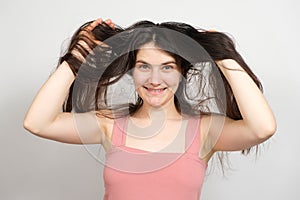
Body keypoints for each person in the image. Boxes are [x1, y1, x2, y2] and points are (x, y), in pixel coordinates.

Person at [23, 18, 277, 200]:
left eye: (167, 67)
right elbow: (38, 123)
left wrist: (224, 56)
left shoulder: (205, 129)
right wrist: (78, 57)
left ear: (182, 73)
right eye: (144, 66)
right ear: (132, 72)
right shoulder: (109, 124)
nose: (154, 79)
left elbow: (262, 128)